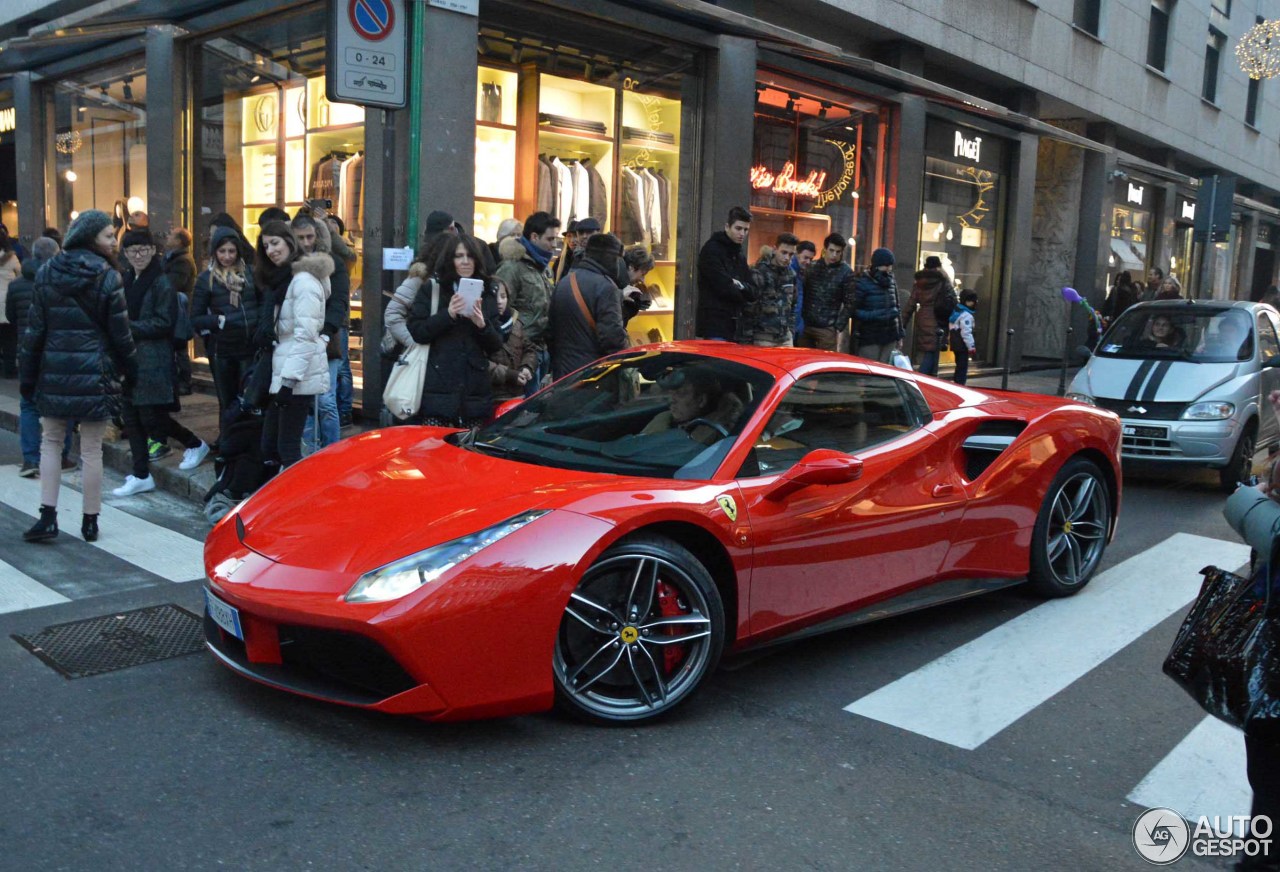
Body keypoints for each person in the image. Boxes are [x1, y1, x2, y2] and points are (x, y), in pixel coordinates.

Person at [19, 210, 137, 542]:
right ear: (89, 237)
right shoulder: (108, 277)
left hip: (54, 370)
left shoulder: (46, 272)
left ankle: (48, 516)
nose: (114, 242)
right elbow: (121, 334)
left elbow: (35, 331)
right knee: (91, 449)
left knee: (52, 443)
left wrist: (28, 375)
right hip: (95, 372)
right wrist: (132, 370)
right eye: (107, 236)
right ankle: (90, 520)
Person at [112, 229, 210, 498]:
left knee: (151, 417)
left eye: (143, 249)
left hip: (153, 358)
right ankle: (141, 474)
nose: (138, 255)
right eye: (132, 250)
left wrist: (127, 328)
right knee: (131, 417)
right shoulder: (127, 278)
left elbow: (163, 323)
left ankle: (195, 443)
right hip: (130, 358)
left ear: (153, 250)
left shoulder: (162, 282)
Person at [406, 233, 502, 428]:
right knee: (435, 452)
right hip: (438, 389)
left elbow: (496, 345)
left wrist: (482, 325)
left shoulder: (487, 291)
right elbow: (418, 331)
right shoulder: (433, 289)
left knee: (469, 455)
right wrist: (447, 315)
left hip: (474, 394)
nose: (465, 261)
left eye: (470, 256)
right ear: (450, 259)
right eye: (459, 256)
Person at [258, 220, 330, 468]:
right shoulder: (285, 280)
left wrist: (288, 383)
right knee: (272, 447)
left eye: (275, 243)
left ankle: (300, 504)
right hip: (285, 371)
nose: (271, 250)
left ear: (290, 242)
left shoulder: (303, 281)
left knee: (286, 450)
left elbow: (306, 336)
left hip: (297, 377)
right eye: (266, 245)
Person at [7, 237, 74, 477]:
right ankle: (61, 457)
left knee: (28, 406)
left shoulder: (16, 286)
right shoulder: (63, 284)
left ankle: (31, 459)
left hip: (26, 353)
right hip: (57, 353)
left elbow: (12, 318)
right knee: (61, 406)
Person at [191, 225, 261, 415]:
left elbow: (261, 304)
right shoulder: (206, 279)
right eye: (222, 251)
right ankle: (227, 440)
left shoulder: (250, 275)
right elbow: (195, 318)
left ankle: (245, 441)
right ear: (215, 252)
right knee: (227, 401)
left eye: (231, 251)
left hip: (248, 348)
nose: (227, 256)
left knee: (248, 399)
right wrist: (218, 321)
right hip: (222, 350)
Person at [292, 214, 347, 453]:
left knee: (325, 400)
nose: (306, 242)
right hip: (297, 338)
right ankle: (309, 453)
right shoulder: (288, 263)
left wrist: (326, 333)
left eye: (309, 236)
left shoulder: (332, 262)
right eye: (300, 237)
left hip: (327, 337)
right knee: (302, 401)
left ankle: (331, 454)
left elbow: (339, 301)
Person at [548, 233, 630, 380]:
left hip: (562, 374)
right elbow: (612, 338)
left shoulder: (565, 282)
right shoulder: (606, 288)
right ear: (611, 258)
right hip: (592, 376)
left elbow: (550, 332)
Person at [495, 211, 558, 393]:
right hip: (522, 354)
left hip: (541, 348)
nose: (554, 245)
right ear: (534, 237)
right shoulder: (512, 268)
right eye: (550, 239)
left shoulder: (544, 269)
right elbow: (501, 311)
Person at [640, 367, 744, 446]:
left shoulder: (717, 437)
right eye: (671, 394)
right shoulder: (663, 419)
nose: (672, 400)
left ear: (701, 400)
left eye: (680, 394)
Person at [696, 206, 755, 341]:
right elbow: (723, 286)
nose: (742, 234)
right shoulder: (712, 250)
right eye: (738, 228)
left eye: (746, 230)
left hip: (734, 324)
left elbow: (753, 292)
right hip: (715, 322)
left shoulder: (739, 255)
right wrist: (742, 290)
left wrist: (739, 285)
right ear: (727, 227)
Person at [799, 233, 855, 351]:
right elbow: (801, 293)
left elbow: (850, 302)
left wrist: (838, 326)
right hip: (806, 324)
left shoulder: (846, 272)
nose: (834, 255)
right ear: (825, 249)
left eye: (838, 252)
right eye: (831, 250)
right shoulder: (812, 267)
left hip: (827, 327)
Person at [488, 279, 537, 409]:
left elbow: (529, 349)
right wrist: (509, 375)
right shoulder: (481, 325)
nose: (499, 301)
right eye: (494, 297)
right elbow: (481, 363)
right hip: (493, 396)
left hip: (517, 395)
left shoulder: (517, 323)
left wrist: (527, 367)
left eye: (503, 297)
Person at [745, 233, 798, 347]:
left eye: (791, 254)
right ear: (775, 250)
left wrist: (791, 330)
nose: (787, 258)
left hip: (785, 337)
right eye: (784, 252)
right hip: (763, 336)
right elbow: (750, 307)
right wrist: (748, 338)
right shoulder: (760, 272)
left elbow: (793, 304)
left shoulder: (791, 275)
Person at [851, 247, 904, 363]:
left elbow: (897, 307)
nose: (889, 269)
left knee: (886, 372)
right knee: (870, 372)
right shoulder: (863, 282)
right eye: (886, 265)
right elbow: (853, 310)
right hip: (870, 337)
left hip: (890, 335)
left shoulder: (891, 281)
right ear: (877, 265)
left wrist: (900, 335)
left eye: (891, 265)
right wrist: (875, 315)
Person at [162, 227, 197, 396]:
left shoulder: (182, 260)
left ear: (178, 241)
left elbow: (173, 284)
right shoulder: (171, 258)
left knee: (180, 346)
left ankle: (185, 381)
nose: (167, 237)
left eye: (171, 235)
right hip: (173, 307)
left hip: (179, 309)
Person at [0, 230, 21, 377]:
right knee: (9, 339)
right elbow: (20, 274)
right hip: (7, 301)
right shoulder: (12, 258)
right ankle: (9, 370)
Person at [620, 246, 656, 328]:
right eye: (642, 274)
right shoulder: (614, 283)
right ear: (631, 267)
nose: (642, 280)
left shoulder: (622, 282)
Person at [950, 289, 978, 385]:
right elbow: (966, 332)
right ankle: (960, 384)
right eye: (973, 301)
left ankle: (957, 382)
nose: (974, 304)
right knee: (962, 367)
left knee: (959, 365)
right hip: (962, 345)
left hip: (955, 343)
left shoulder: (956, 311)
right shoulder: (966, 315)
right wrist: (971, 347)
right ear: (968, 301)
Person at [792, 240, 816, 338]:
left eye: (811, 259)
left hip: (795, 326)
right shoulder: (789, 272)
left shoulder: (801, 273)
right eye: (805, 258)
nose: (808, 262)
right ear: (797, 253)